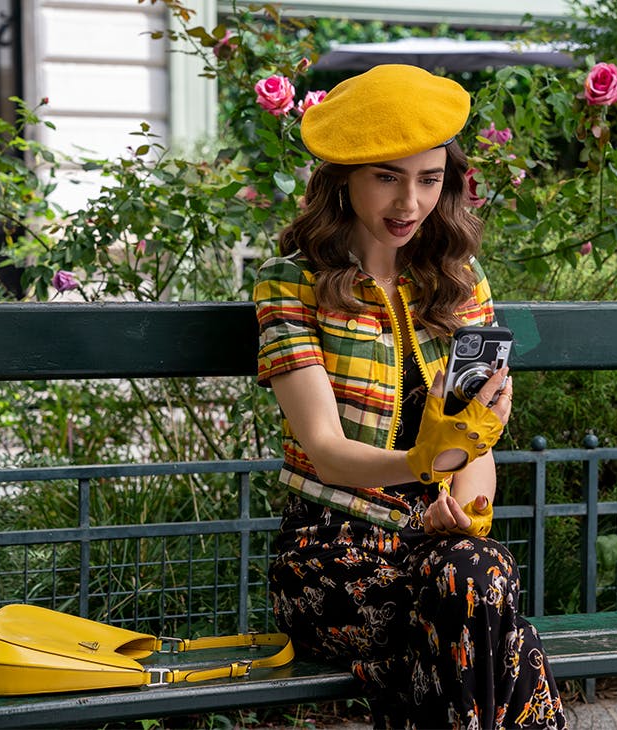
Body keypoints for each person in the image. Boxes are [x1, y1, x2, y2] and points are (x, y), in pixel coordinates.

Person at [252, 64, 565, 729]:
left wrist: (469, 505)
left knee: (471, 577)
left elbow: (475, 436)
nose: (409, 205)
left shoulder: (457, 279)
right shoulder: (291, 283)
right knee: (482, 608)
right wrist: (426, 464)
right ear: (343, 178)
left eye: (428, 179)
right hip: (331, 553)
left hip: (438, 546)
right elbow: (327, 454)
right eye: (386, 178)